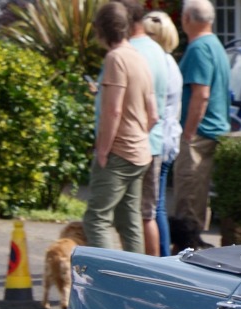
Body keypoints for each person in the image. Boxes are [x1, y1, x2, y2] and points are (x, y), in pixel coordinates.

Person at [83, 1, 157, 254]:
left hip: (119, 153)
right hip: (140, 152)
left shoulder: (116, 58)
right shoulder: (139, 57)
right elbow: (153, 114)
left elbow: (112, 111)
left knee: (96, 219)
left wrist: (103, 151)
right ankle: (136, 282)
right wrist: (138, 134)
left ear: (101, 29)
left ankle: (105, 285)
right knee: (129, 221)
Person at [173, 0, 229, 231]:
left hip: (200, 133)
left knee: (189, 199)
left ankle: (189, 253)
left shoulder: (199, 48)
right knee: (198, 197)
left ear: (186, 19)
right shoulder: (215, 44)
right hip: (212, 129)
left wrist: (188, 133)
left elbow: (201, 94)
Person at [123, 0, 170, 256]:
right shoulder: (158, 52)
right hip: (153, 141)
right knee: (147, 214)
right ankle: (154, 272)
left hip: (131, 144)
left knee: (131, 216)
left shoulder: (128, 51)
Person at [142, 10, 182, 255]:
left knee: (153, 208)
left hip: (158, 141)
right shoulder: (170, 63)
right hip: (168, 140)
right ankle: (162, 257)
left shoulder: (157, 64)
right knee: (158, 206)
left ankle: (161, 260)